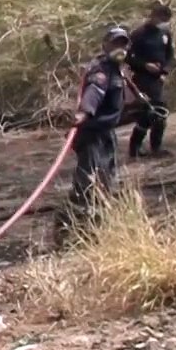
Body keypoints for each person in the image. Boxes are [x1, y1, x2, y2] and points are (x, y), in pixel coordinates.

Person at [66, 26, 130, 226]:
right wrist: (84, 113)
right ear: (105, 45)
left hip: (106, 131)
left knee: (106, 173)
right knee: (89, 174)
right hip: (92, 133)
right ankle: (81, 217)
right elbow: (94, 92)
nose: (119, 48)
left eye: (123, 44)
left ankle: (100, 212)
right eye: (115, 43)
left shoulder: (117, 69)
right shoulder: (101, 70)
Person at [127, 2, 175, 158]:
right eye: (160, 18)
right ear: (153, 15)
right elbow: (127, 57)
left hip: (158, 78)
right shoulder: (138, 34)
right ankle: (145, 147)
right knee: (156, 110)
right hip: (142, 78)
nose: (162, 23)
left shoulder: (165, 33)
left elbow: (169, 54)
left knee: (151, 113)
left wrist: (164, 70)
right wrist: (144, 65)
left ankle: (147, 147)